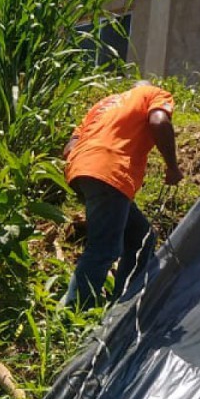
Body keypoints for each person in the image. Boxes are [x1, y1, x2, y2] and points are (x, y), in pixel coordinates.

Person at [61, 80, 181, 309]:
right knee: (104, 248)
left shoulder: (103, 104)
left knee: (141, 237)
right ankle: (75, 311)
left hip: (80, 171)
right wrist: (172, 167)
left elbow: (70, 147)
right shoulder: (152, 94)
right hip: (109, 172)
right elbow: (159, 121)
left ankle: (127, 302)